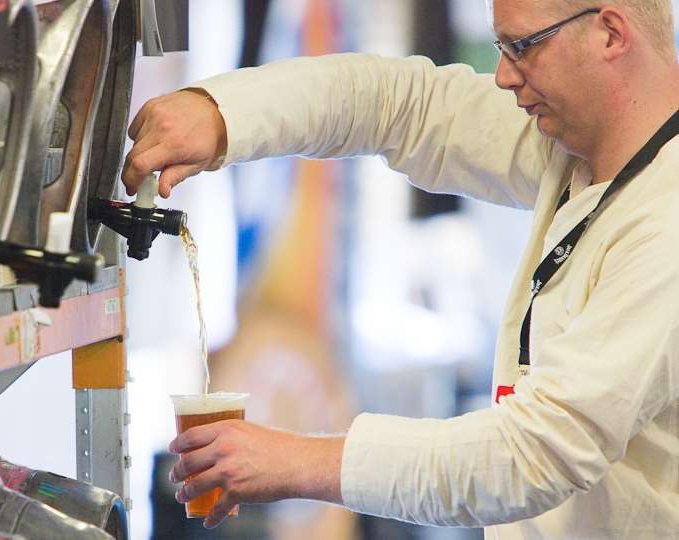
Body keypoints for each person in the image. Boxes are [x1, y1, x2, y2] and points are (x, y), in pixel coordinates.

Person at [122, 1, 679, 537]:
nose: (506, 77)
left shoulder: (665, 222)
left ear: (609, 34)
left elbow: (534, 456)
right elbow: (396, 105)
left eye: (522, 47)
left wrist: (295, 461)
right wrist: (221, 113)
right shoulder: (584, 146)